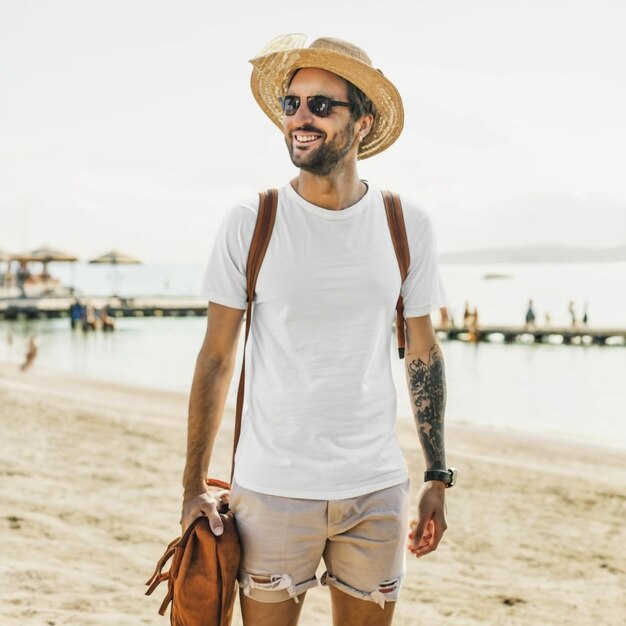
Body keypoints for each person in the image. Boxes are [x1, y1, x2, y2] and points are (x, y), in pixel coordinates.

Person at [181, 35, 454, 626]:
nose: (301, 118)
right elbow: (216, 360)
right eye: (292, 104)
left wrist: (436, 474)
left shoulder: (405, 224)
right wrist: (191, 487)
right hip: (271, 490)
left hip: (376, 489)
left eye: (321, 105)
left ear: (363, 122)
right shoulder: (252, 222)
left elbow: (422, 354)